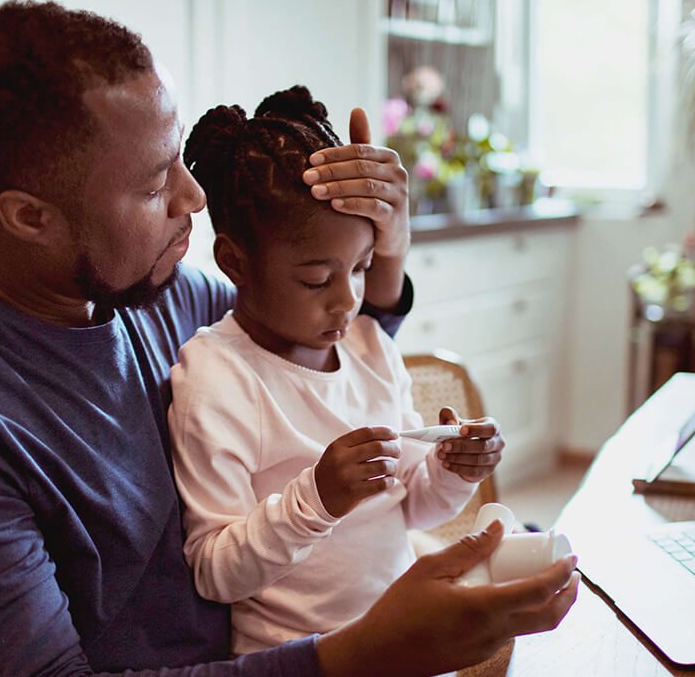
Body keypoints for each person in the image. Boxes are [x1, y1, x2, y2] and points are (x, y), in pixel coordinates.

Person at [0, 0, 577, 676]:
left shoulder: (151, 292)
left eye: (181, 157)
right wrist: (361, 653)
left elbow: (312, 345)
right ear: (29, 216)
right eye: (154, 185)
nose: (194, 197)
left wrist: (387, 254)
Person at [170, 87, 498, 655]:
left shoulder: (370, 347)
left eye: (362, 268)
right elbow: (214, 572)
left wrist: (453, 471)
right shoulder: (216, 379)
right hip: (299, 659)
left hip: (403, 641)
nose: (348, 301)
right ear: (235, 262)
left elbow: (413, 509)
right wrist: (316, 499)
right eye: (317, 280)